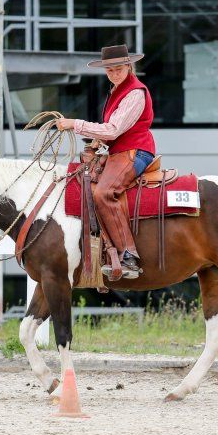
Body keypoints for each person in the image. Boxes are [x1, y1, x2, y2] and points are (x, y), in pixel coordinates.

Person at [56, 44, 156, 279]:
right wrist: (95, 143)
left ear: (128, 66)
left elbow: (112, 130)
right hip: (121, 152)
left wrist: (75, 124)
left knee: (103, 193)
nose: (114, 73)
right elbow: (112, 133)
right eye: (110, 70)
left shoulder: (135, 93)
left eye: (118, 69)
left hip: (135, 152)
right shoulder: (117, 90)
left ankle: (128, 256)